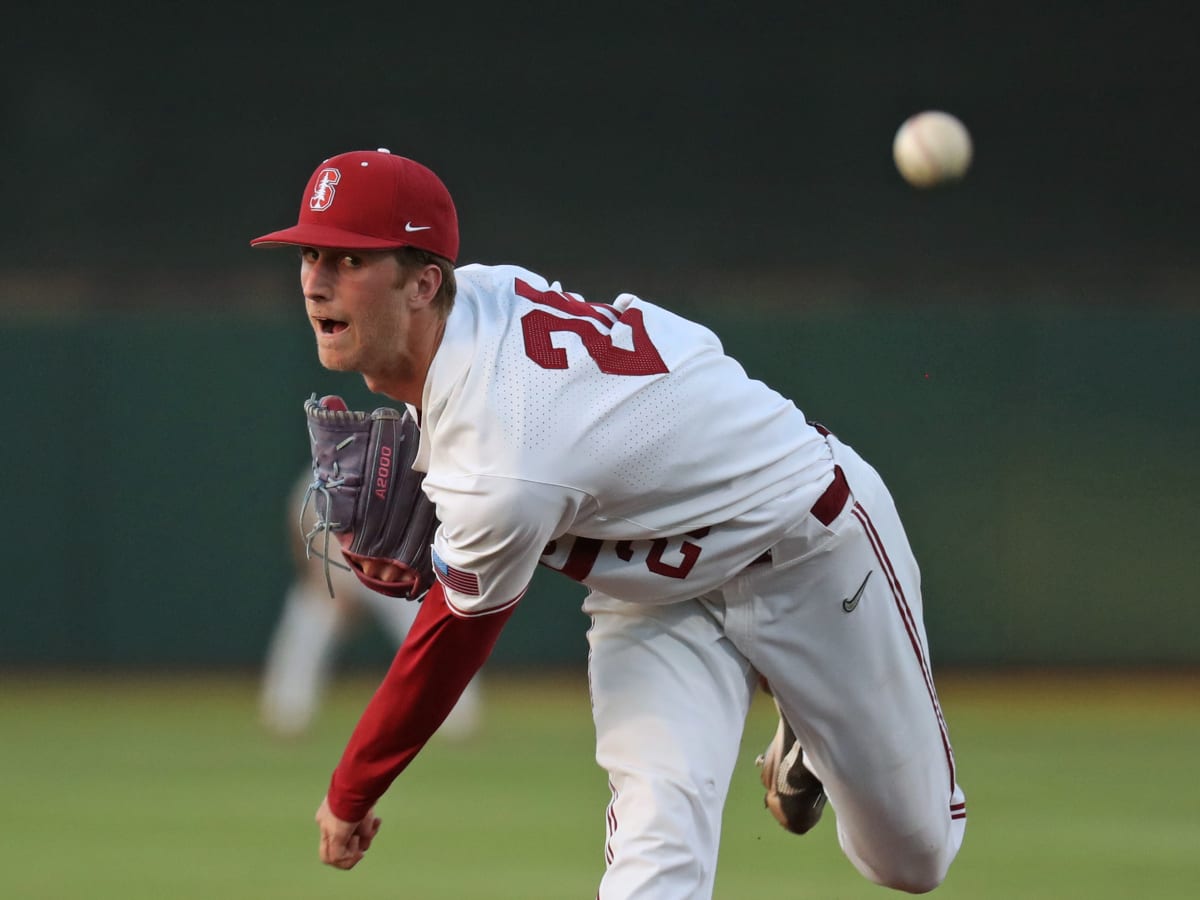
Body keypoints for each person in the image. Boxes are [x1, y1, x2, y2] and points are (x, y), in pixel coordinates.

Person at [250, 148, 967, 897]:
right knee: (655, 860)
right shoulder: (473, 304)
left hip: (804, 543)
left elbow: (452, 639)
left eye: (349, 259)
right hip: (655, 593)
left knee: (910, 860)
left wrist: (350, 790)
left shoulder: (503, 455)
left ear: (424, 282)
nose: (315, 280)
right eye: (309, 253)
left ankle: (810, 733)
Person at [259, 470, 482, 740]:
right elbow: (300, 528)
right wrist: (318, 576)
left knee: (427, 627)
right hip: (337, 568)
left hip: (389, 568)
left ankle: (457, 713)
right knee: (308, 618)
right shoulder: (318, 473)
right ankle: (287, 712)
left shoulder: (399, 468)